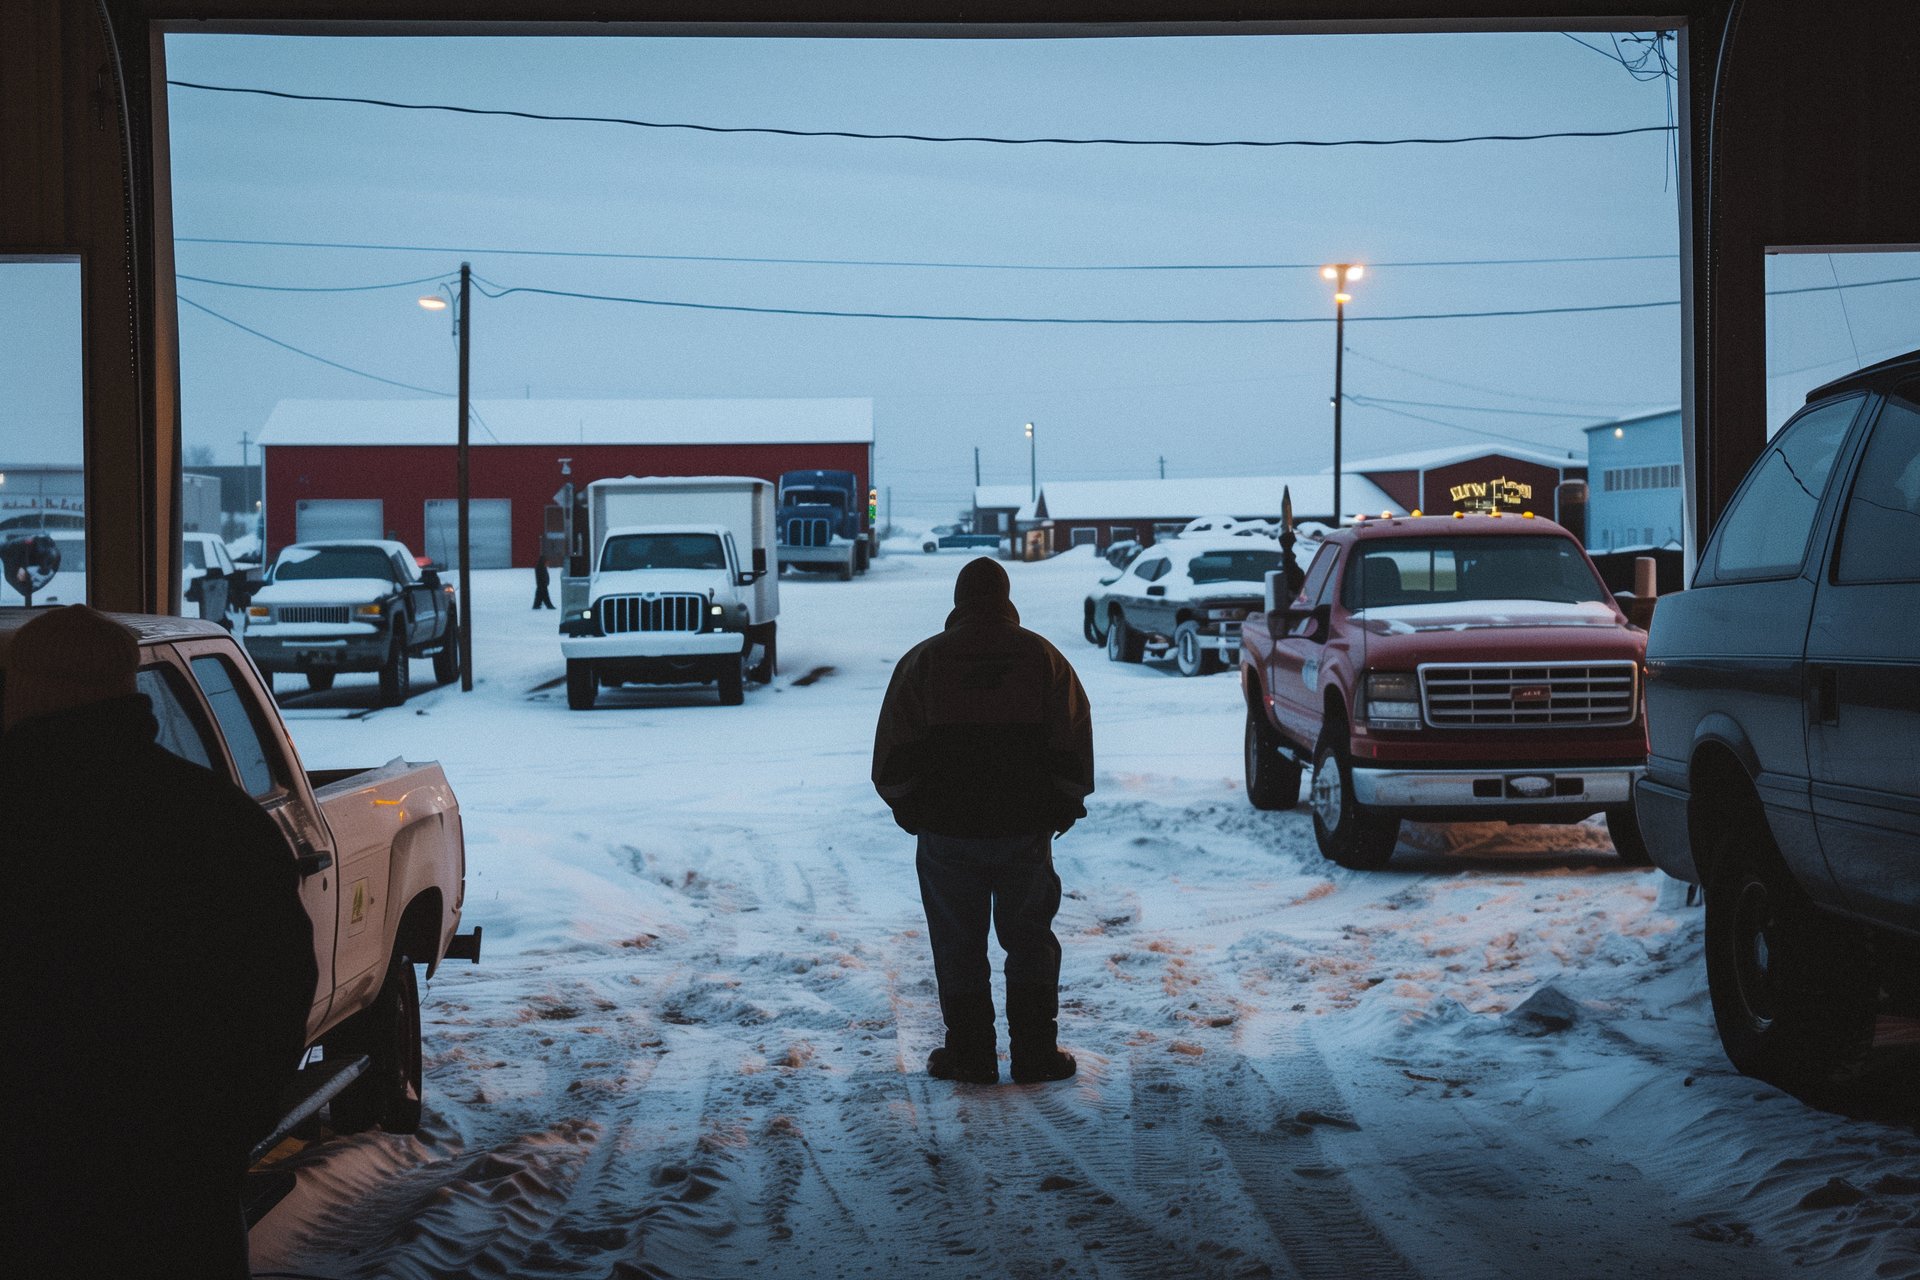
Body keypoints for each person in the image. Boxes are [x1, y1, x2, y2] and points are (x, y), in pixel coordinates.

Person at [0, 606, 316, 1280]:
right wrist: (228, 1124)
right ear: (126, 689)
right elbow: (280, 981)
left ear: (24, 689)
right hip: (176, 1174)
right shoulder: (215, 819)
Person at [873, 558, 1094, 1085]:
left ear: (958, 599)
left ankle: (970, 1055)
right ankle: (1036, 1053)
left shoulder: (924, 661)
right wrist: (1062, 807)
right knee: (1030, 938)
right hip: (1023, 831)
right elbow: (1074, 745)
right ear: (1005, 596)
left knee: (957, 942)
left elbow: (891, 759)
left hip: (948, 834)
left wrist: (914, 811)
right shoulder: (1043, 658)